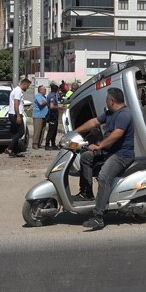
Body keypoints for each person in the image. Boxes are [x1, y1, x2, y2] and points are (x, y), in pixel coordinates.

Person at [73, 86, 137, 231]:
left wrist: (100, 146)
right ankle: (86, 192)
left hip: (122, 155)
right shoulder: (110, 113)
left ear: (112, 100)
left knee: (103, 177)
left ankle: (98, 217)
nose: (106, 101)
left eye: (107, 99)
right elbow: (94, 122)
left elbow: (117, 134)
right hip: (110, 152)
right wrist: (75, 132)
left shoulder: (124, 114)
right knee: (85, 157)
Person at [6, 77, 31, 157]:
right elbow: (16, 103)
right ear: (24, 84)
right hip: (15, 114)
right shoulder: (18, 91)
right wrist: (18, 116)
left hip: (13, 114)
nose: (28, 88)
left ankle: (14, 151)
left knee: (16, 133)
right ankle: (9, 148)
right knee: (21, 132)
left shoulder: (16, 90)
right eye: (28, 86)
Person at [31, 84, 50, 150]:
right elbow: (41, 103)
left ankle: (39, 143)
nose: (45, 90)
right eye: (44, 89)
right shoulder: (38, 96)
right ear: (40, 90)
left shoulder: (44, 96)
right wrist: (48, 101)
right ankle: (35, 143)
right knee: (37, 130)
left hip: (44, 116)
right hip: (38, 116)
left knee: (42, 130)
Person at [44, 84, 62, 149]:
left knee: (54, 130)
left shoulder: (50, 95)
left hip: (53, 114)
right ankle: (47, 145)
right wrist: (59, 107)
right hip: (52, 114)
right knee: (51, 130)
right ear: (56, 89)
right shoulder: (52, 96)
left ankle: (53, 144)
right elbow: (52, 106)